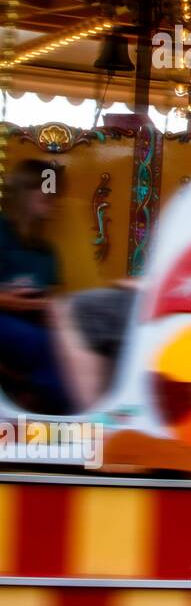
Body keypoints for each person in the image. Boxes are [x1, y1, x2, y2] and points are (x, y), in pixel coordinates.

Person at [0, 159, 133, 414]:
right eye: (46, 189)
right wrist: (16, 301)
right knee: (44, 344)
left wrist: (54, 312)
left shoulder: (45, 252)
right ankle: (66, 412)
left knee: (84, 340)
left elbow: (47, 300)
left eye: (54, 192)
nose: (53, 197)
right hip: (5, 319)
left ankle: (96, 409)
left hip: (33, 319)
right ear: (25, 190)